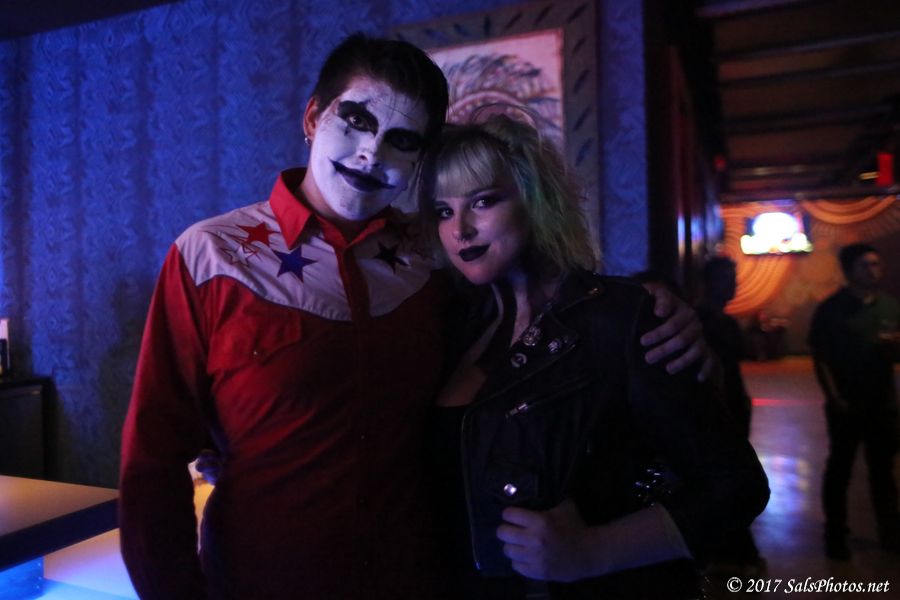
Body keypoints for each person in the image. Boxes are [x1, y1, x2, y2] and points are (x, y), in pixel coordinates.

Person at [118, 34, 709, 600]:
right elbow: (153, 461)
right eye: (356, 121)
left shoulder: (435, 256)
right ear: (313, 117)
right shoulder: (210, 256)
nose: (372, 153)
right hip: (258, 581)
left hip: (422, 579)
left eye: (402, 141)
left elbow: (543, 296)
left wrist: (654, 305)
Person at [418, 115, 769, 599]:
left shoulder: (623, 316)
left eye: (483, 201)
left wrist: (593, 550)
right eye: (442, 210)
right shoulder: (450, 324)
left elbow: (737, 485)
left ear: (534, 198)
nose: (460, 229)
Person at [808, 243, 900, 560]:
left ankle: (890, 532)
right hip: (846, 403)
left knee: (883, 470)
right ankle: (835, 532)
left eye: (876, 264)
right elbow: (820, 357)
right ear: (849, 271)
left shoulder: (889, 306)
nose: (873, 271)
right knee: (840, 469)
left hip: (882, 403)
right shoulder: (831, 309)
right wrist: (833, 396)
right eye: (865, 265)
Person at [696, 257, 764, 574]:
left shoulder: (726, 322)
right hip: (715, 411)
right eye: (727, 279)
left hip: (734, 406)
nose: (732, 285)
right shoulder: (700, 321)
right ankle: (735, 551)